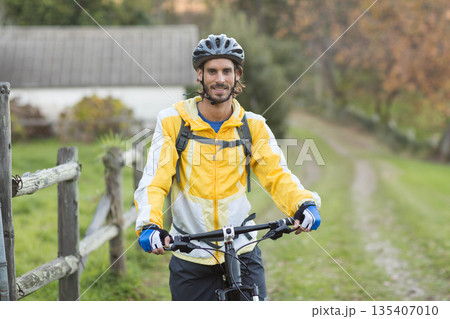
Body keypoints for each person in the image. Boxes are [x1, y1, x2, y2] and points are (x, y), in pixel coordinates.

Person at [134, 34, 321, 301]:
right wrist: (150, 225)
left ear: (237, 75)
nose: (219, 79)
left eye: (226, 71)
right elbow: (155, 179)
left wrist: (303, 204)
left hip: (243, 250)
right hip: (191, 254)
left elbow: (276, 173)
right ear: (199, 75)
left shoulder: (252, 125)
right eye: (212, 71)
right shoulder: (173, 122)